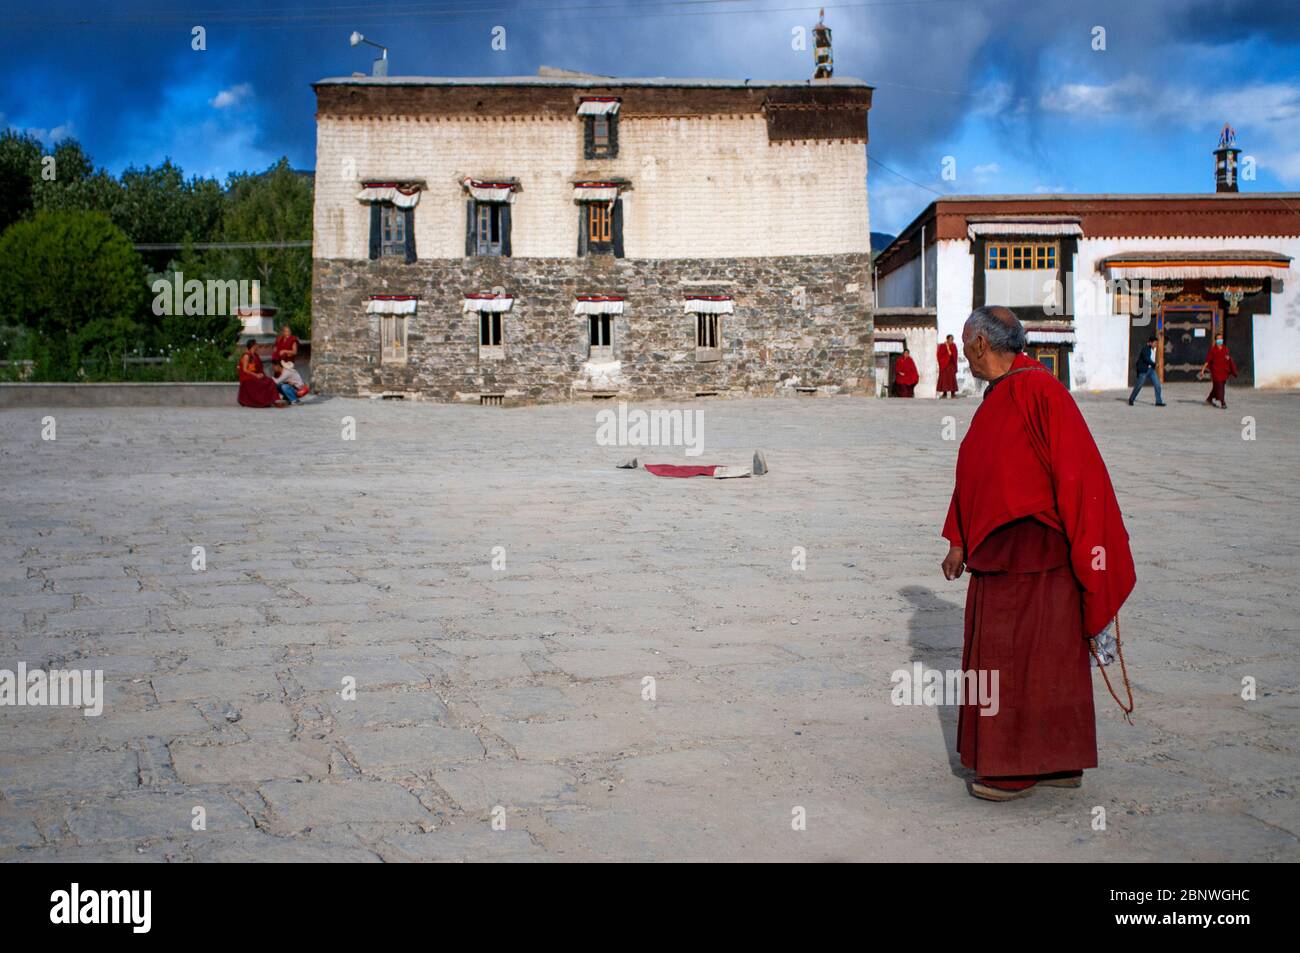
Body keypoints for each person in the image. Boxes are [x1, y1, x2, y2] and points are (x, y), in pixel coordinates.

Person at [940, 306, 1135, 802]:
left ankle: (1013, 767)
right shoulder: (1002, 393)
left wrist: (1092, 556)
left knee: (1010, 659)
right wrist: (958, 537)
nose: (965, 354)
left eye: (966, 344)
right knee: (1047, 657)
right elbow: (978, 469)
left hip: (1032, 551)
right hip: (1002, 550)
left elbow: (1079, 474)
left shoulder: (1038, 390)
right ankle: (1057, 760)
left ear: (981, 343)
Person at [237, 339, 284, 408]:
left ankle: (275, 400)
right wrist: (256, 375)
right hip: (247, 378)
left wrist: (261, 374)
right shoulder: (246, 356)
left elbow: (258, 368)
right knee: (262, 383)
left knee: (270, 381)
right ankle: (264, 402)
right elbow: (244, 370)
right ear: (253, 346)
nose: (258, 346)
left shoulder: (255, 355)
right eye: (256, 344)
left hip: (255, 376)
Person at [1199, 335, 1238, 409]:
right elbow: (1207, 361)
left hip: (1224, 371)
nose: (1220, 340)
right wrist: (1202, 370)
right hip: (1216, 371)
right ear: (1215, 340)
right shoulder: (1213, 350)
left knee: (1217, 387)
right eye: (1218, 339)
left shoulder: (1225, 348)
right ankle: (1223, 402)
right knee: (1220, 387)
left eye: (1221, 339)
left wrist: (1229, 361)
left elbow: (1227, 358)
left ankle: (1209, 399)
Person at [1128, 334, 1166, 406]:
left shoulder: (1154, 349)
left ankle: (1158, 402)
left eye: (1156, 343)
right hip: (1144, 370)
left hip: (1151, 370)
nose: (1156, 344)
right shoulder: (1145, 349)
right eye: (1154, 343)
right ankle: (1131, 399)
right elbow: (1147, 359)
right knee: (1139, 386)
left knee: (1157, 385)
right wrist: (1154, 364)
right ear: (1150, 343)